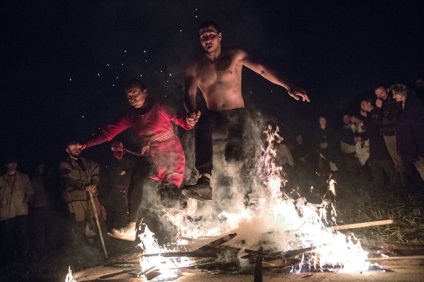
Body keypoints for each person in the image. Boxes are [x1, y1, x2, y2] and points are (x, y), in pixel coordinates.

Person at [184, 20, 309, 194]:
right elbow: (189, 94)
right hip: (214, 116)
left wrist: (288, 86)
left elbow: (263, 70)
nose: (207, 39)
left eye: (211, 35)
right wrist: (191, 111)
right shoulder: (195, 66)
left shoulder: (235, 55)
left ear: (220, 37)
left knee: (234, 158)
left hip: (237, 114)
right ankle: (204, 181)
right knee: (202, 124)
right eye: (203, 37)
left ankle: (251, 191)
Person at [79, 78, 199, 242]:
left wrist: (190, 119)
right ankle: (131, 226)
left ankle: (190, 220)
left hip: (170, 155)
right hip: (150, 155)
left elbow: (184, 122)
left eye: (135, 93)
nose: (132, 98)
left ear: (145, 92)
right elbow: (108, 133)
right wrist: (84, 145)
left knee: (169, 197)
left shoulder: (160, 106)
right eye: (129, 96)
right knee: (137, 178)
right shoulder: (130, 116)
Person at [59, 141, 101, 245]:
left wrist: (94, 184)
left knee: (96, 221)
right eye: (72, 149)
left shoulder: (87, 162)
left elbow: (95, 171)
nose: (76, 151)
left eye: (77, 148)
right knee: (80, 225)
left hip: (91, 196)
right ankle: (82, 252)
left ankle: (99, 248)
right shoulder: (65, 164)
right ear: (67, 151)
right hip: (75, 199)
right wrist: (84, 186)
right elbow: (68, 179)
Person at [360, 98, 398, 193]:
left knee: (390, 170)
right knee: (376, 171)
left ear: (369, 103)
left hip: (382, 146)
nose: (362, 107)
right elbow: (369, 129)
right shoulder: (370, 115)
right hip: (374, 148)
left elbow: (375, 126)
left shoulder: (377, 111)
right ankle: (379, 192)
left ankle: (399, 190)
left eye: (363, 104)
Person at [0, 157, 34, 265]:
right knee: (8, 237)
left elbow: (29, 192)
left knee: (22, 235)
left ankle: (22, 258)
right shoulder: (1, 179)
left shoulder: (24, 177)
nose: (13, 165)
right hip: (6, 213)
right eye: (10, 163)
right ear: (6, 165)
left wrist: (25, 202)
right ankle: (10, 260)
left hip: (21, 212)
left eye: (14, 163)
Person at [391, 84, 424, 183]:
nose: (393, 97)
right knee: (420, 168)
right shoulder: (402, 105)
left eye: (395, 94)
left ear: (401, 92)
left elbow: (416, 123)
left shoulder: (415, 103)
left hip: (418, 143)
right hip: (411, 144)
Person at [374, 85, 405, 182]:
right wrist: (379, 109)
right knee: (397, 161)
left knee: (406, 156)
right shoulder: (378, 105)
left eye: (382, 93)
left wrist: (382, 108)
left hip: (398, 133)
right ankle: (404, 185)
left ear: (387, 90)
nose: (380, 96)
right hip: (387, 135)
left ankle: (415, 183)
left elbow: (396, 115)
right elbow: (377, 122)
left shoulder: (396, 100)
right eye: (377, 94)